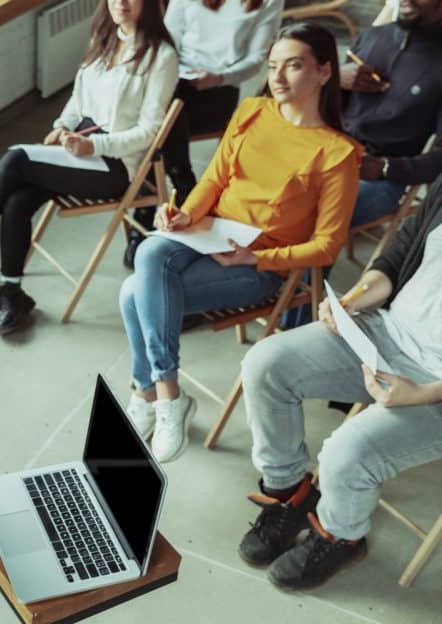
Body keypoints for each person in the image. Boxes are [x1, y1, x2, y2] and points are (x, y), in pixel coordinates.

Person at [121, 23, 361, 463]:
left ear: (325, 72)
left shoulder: (338, 153)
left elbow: (327, 246)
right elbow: (214, 178)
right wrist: (186, 215)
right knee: (151, 249)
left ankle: (147, 391)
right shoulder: (252, 111)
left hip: (256, 267)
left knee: (131, 291)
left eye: (294, 66)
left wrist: (260, 256)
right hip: (208, 233)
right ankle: (168, 393)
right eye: (273, 66)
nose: (279, 77)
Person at [0, 0, 178, 336]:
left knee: (17, 158)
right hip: (80, 147)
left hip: (116, 166)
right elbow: (78, 101)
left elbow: (151, 133)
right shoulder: (104, 38)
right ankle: (11, 291)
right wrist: (60, 126)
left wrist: (94, 148)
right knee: (17, 199)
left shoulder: (161, 56)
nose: (121, 1)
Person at [237, 175, 442, 591]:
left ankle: (341, 536)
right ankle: (289, 492)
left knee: (349, 453)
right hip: (387, 331)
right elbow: (398, 257)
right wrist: (350, 303)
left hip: (435, 386)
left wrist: (422, 393)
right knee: (266, 363)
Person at [124, 0, 285, 268]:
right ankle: (181, 183)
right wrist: (168, 67)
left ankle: (144, 221)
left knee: (155, 117)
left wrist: (219, 77)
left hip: (219, 90)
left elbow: (257, 59)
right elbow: (170, 34)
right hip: (176, 79)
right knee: (163, 103)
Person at [340, 0, 442, 229]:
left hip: (381, 179)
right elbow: (324, 107)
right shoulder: (374, 36)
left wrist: (386, 167)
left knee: (315, 218)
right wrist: (336, 80)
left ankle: (301, 272)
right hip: (330, 152)